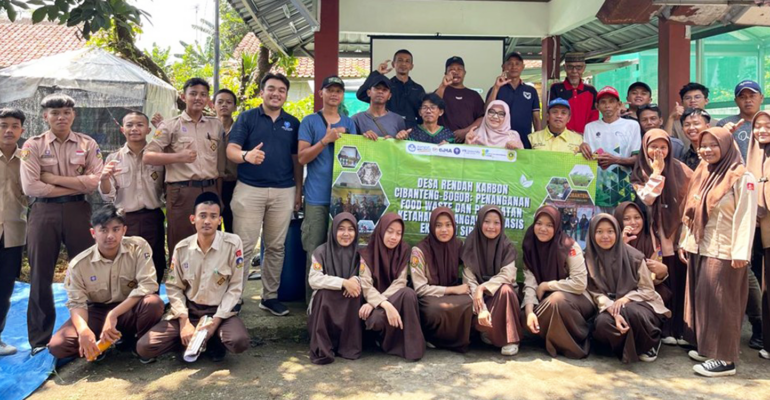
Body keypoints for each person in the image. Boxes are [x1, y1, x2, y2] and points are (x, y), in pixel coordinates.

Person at [21, 94, 103, 354]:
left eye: (66, 112)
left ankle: (92, 332)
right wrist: (77, 183)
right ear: (45, 116)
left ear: (73, 115)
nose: (61, 117)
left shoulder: (87, 143)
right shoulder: (32, 146)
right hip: (43, 214)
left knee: (89, 271)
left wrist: (53, 178)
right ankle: (39, 340)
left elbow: (95, 182)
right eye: (55, 113)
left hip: (79, 210)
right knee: (40, 275)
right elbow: (31, 186)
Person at [679, 127, 757, 377]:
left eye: (714, 144)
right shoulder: (704, 172)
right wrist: (685, 240)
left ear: (726, 146)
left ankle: (725, 360)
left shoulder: (742, 177)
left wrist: (741, 252)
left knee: (724, 304)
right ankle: (709, 348)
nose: (707, 150)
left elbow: (746, 216)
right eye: (703, 145)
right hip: (701, 246)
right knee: (704, 302)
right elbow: (691, 210)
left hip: (725, 250)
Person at [137, 192, 249, 362]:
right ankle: (190, 340)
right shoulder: (182, 248)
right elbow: (174, 288)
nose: (207, 221)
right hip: (190, 310)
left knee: (238, 342)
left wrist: (215, 322)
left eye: (213, 216)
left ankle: (210, 339)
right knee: (144, 347)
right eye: (202, 216)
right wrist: (184, 322)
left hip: (219, 311)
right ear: (192, 219)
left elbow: (235, 288)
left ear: (220, 220)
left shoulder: (233, 244)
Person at [227, 73, 302, 316]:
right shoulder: (247, 117)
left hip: (283, 191)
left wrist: (298, 190)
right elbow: (231, 149)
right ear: (262, 92)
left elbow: (296, 160)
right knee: (244, 246)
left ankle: (269, 296)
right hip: (250, 189)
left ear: (286, 95)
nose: (276, 93)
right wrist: (246, 156)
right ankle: (235, 296)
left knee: (276, 247)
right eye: (271, 88)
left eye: (281, 90)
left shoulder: (293, 122)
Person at [48, 205, 164, 361]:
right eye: (103, 230)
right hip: (97, 311)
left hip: (130, 308)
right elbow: (77, 303)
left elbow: (148, 285)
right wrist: (84, 331)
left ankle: (138, 344)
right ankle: (99, 346)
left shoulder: (138, 247)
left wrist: (113, 314)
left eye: (116, 229)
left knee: (153, 303)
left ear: (124, 230)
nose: (110, 235)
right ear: (93, 233)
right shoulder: (79, 264)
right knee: (58, 345)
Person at [144, 77, 226, 263]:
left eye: (203, 94)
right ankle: (180, 287)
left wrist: (218, 195)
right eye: (193, 93)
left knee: (211, 240)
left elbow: (219, 166)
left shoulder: (215, 125)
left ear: (208, 99)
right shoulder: (170, 125)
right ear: (184, 96)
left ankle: (208, 285)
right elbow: (148, 156)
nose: (198, 98)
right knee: (181, 241)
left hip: (210, 189)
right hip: (182, 190)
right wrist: (178, 157)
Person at [629, 129, 693, 346]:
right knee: (660, 283)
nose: (658, 151)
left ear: (670, 148)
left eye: (663, 147)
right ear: (645, 148)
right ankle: (664, 328)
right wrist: (656, 173)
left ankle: (681, 330)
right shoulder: (640, 172)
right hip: (654, 236)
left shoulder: (681, 169)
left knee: (679, 280)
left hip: (678, 232)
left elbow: (693, 196)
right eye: (653, 147)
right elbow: (647, 199)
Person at [298, 75, 358, 302]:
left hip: (344, 198)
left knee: (343, 251)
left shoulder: (350, 123)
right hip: (316, 197)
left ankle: (340, 302)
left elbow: (358, 154)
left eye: (338, 91)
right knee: (314, 250)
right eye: (330, 90)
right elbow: (302, 157)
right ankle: (312, 305)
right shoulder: (310, 121)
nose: (334, 95)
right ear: (321, 93)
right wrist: (326, 139)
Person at [586, 214, 670, 363]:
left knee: (630, 312)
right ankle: (632, 347)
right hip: (608, 306)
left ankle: (651, 342)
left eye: (610, 231)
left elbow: (648, 290)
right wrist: (611, 307)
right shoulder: (588, 258)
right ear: (592, 234)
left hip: (639, 303)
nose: (605, 236)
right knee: (603, 324)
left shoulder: (634, 256)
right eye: (599, 232)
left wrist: (626, 299)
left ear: (617, 233)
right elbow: (593, 291)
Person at [99, 112, 166, 283]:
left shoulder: (159, 156)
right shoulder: (114, 159)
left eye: (139, 125)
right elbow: (108, 195)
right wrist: (105, 178)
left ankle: (152, 304)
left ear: (148, 129)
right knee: (126, 265)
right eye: (129, 125)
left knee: (154, 262)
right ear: (122, 129)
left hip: (153, 217)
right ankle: (128, 306)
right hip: (126, 220)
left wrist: (164, 128)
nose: (134, 129)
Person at [522, 206, 594, 359]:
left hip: (577, 300)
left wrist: (547, 285)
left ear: (557, 226)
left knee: (557, 300)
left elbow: (579, 283)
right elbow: (530, 284)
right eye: (539, 223)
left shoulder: (569, 246)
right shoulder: (530, 245)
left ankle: (572, 341)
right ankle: (551, 335)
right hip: (547, 299)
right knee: (522, 316)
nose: (543, 229)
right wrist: (529, 312)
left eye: (550, 225)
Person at [461, 206, 530, 356]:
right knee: (465, 298)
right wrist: (482, 305)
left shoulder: (507, 247)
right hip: (478, 299)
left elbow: (508, 275)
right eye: (487, 222)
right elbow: (469, 279)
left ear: (502, 224)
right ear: (480, 223)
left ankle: (510, 339)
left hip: (501, 297)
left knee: (506, 289)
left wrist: (483, 288)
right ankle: (487, 331)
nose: (491, 227)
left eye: (496, 223)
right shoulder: (470, 244)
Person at [358, 213, 424, 361]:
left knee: (408, 293)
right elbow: (366, 285)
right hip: (376, 302)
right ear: (381, 230)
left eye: (398, 233)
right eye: (390, 231)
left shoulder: (403, 251)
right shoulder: (367, 254)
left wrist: (380, 301)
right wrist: (384, 305)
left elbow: (400, 282)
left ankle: (412, 348)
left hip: (391, 299)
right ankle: (382, 341)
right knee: (376, 320)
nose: (394, 237)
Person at [410, 207, 473, 352]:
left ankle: (456, 340)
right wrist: (452, 290)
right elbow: (420, 289)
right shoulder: (419, 251)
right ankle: (433, 338)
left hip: (453, 294)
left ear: (454, 226)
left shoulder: (459, 246)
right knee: (434, 309)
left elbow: (469, 272)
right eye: (438, 225)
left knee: (469, 303)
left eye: (448, 225)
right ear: (432, 227)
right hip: (429, 295)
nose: (444, 230)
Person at [307, 212, 363, 365]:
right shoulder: (321, 252)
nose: (346, 234)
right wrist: (343, 283)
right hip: (327, 304)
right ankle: (322, 348)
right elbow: (314, 279)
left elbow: (368, 278)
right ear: (333, 231)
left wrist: (356, 279)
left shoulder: (360, 254)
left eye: (351, 229)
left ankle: (349, 347)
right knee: (324, 294)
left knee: (356, 293)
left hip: (348, 303)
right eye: (341, 229)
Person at [613, 202, 673, 341]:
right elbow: (608, 271)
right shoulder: (612, 240)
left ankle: (654, 335)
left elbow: (652, 279)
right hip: (618, 290)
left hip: (645, 290)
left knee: (662, 292)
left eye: (637, 217)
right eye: (626, 218)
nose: (633, 222)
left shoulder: (651, 242)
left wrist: (662, 272)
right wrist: (621, 246)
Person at [579, 86, 642, 210]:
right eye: (603, 102)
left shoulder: (632, 125)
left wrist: (614, 160)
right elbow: (587, 158)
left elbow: (637, 159)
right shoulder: (590, 127)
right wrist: (582, 148)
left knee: (623, 226)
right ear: (597, 106)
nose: (607, 105)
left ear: (619, 104)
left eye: (611, 101)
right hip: (597, 191)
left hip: (623, 189)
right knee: (599, 226)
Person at [0, 108, 27, 356]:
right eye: (3, 125)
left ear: (22, 130)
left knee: (4, 288)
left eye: (14, 126)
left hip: (13, 233)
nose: (8, 130)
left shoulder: (28, 160)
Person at [747, 110, 770, 360]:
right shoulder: (752, 156)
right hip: (754, 230)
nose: (762, 131)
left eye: (767, 126)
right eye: (758, 127)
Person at [356, 50, 426, 128]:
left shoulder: (418, 89)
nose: (403, 64)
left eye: (407, 61)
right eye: (400, 60)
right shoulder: (386, 87)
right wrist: (377, 73)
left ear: (411, 66)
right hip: (389, 129)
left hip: (412, 131)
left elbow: (423, 112)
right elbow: (361, 94)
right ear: (393, 64)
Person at [485, 52, 541, 148]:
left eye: (517, 63)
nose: (513, 67)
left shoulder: (531, 91)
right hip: (499, 141)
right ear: (503, 67)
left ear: (523, 67)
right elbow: (486, 110)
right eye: (510, 63)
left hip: (524, 140)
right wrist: (496, 87)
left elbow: (536, 119)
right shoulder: (496, 88)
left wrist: (539, 142)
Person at [548, 52, 599, 134]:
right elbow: (552, 115)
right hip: (562, 138)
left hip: (585, 138)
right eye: (570, 67)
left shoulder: (591, 91)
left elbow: (594, 117)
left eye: (579, 67)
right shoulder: (556, 88)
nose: (574, 71)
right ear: (565, 67)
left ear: (584, 68)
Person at [436, 56, 484, 142]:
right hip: (442, 141)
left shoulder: (474, 95)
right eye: (452, 70)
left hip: (468, 141)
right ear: (445, 73)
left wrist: (466, 131)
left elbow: (482, 118)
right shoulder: (441, 91)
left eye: (459, 69)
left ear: (465, 72)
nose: (456, 72)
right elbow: (433, 107)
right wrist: (443, 85)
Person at [717, 80, 764, 161]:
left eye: (752, 96)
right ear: (736, 101)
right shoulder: (725, 124)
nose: (748, 100)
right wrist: (723, 135)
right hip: (737, 172)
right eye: (742, 97)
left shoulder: (767, 122)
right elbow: (716, 152)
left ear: (761, 98)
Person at [214, 88, 239, 233]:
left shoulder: (241, 129)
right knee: (212, 227)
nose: (224, 105)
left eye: (229, 102)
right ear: (213, 105)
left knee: (232, 228)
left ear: (234, 107)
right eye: (220, 102)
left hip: (234, 183)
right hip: (212, 183)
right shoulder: (207, 128)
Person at [665, 82, 718, 149]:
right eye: (687, 98)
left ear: (706, 101)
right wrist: (671, 117)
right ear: (682, 102)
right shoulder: (675, 125)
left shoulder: (717, 124)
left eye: (697, 97)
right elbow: (666, 144)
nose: (692, 100)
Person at [352, 75, 406, 139]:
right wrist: (363, 138)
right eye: (377, 88)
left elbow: (401, 146)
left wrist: (393, 141)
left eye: (385, 90)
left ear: (389, 96)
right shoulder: (356, 119)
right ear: (369, 92)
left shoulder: (398, 120)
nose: (380, 92)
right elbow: (351, 143)